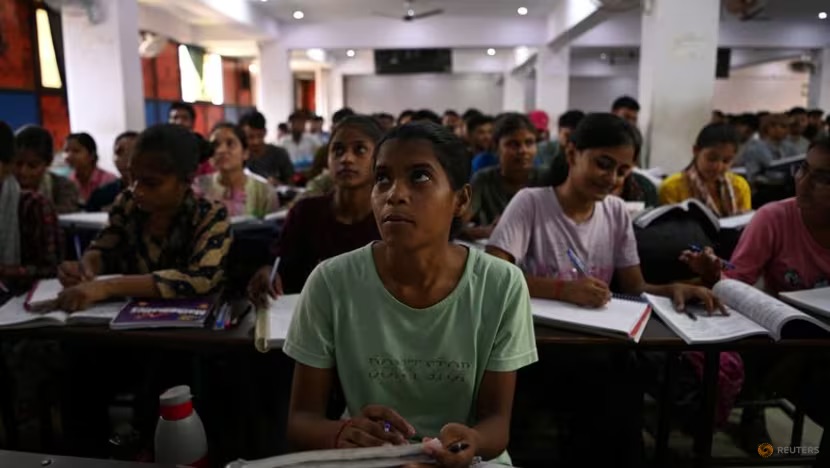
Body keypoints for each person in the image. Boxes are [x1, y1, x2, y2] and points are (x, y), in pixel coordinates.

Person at [282, 122, 538, 467]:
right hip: (367, 456)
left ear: (460, 200)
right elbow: (301, 421)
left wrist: (470, 442)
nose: (394, 194)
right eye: (383, 179)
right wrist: (341, 434)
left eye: (419, 177)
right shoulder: (331, 281)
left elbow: (495, 424)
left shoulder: (500, 284)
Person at [485, 114, 721, 466]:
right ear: (572, 152)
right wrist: (563, 289)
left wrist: (676, 287)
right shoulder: (531, 203)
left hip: (597, 343)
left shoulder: (615, 212)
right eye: (603, 164)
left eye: (623, 171)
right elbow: (494, 274)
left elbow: (634, 286)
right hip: (537, 347)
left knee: (620, 393)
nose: (611, 179)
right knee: (602, 397)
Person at [681, 138, 830, 460]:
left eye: (823, 178)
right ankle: (753, 413)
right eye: (803, 169)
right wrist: (712, 275)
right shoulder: (775, 217)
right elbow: (736, 280)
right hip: (785, 341)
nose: (804, 182)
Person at [55, 124, 232, 311]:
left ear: (186, 180)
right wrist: (86, 267)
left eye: (151, 183)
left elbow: (201, 278)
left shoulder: (209, 214)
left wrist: (109, 287)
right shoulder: (127, 203)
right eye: (132, 178)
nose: (137, 190)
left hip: (190, 329)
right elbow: (104, 248)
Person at [248, 115, 384, 299]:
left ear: (380, 159)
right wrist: (268, 273)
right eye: (338, 150)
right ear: (327, 159)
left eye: (359, 150)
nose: (346, 159)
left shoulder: (390, 218)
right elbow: (280, 265)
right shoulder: (305, 213)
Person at [0, 121, 61, 295]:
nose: (23, 172)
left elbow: (51, 268)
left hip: (22, 295)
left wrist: (5, 271)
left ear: (6, 165)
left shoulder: (34, 204)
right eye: (20, 164)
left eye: (32, 165)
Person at [464, 113, 543, 240]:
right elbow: (456, 225)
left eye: (529, 143)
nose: (523, 150)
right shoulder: (484, 179)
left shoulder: (545, 180)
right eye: (513, 144)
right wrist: (486, 232)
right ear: (496, 148)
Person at [659, 123, 752, 217]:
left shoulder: (739, 187)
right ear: (696, 151)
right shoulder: (673, 187)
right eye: (712, 159)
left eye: (726, 161)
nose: (718, 167)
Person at [194, 122, 279, 218]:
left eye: (230, 144)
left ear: (245, 153)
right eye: (215, 145)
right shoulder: (198, 188)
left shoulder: (264, 193)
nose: (221, 150)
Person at [13, 125, 80, 214]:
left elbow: (66, 212)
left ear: (48, 163)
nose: (23, 171)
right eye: (18, 164)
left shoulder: (63, 187)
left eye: (32, 166)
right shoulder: (4, 185)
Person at [738, 113, 800, 183]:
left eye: (785, 127)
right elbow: (753, 175)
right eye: (774, 126)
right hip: (766, 187)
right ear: (767, 128)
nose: (779, 130)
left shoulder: (790, 147)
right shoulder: (756, 149)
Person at [86, 131, 138, 212]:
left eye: (132, 152)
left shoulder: (154, 193)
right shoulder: (102, 195)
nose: (126, 158)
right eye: (119, 152)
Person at [239, 110, 294, 185]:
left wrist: (279, 185)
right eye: (250, 137)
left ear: (265, 132)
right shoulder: (238, 157)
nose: (256, 142)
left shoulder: (279, 154)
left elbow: (291, 184)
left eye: (260, 136)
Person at [64, 133, 118, 206]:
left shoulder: (109, 180)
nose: (69, 156)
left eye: (76, 151)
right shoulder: (68, 182)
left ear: (92, 155)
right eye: (66, 151)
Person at [308, 108, 358, 182]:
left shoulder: (364, 150)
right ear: (333, 127)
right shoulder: (324, 151)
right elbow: (313, 178)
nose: (347, 159)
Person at [168, 101, 214, 176]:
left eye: (185, 118)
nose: (179, 122)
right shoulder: (162, 148)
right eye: (175, 118)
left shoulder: (204, 149)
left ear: (193, 122)